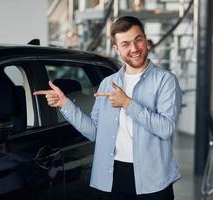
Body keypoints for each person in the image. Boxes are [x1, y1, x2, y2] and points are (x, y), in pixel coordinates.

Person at [34, 16, 182, 200]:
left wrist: (127, 103)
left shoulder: (165, 80)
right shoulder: (107, 83)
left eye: (138, 40)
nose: (134, 49)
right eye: (126, 44)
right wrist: (65, 104)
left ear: (145, 38)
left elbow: (166, 129)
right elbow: (95, 132)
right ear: (116, 48)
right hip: (111, 176)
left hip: (153, 179)